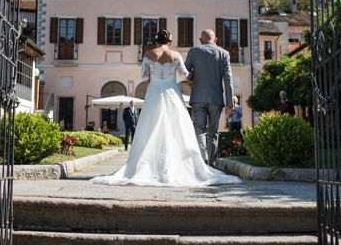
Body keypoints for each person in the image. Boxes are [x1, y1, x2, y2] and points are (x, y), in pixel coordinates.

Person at [90, 30, 240, 187]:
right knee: (180, 128)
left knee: (152, 127)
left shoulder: (148, 54)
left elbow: (144, 75)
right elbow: (185, 74)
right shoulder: (176, 55)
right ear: (169, 41)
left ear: (156, 41)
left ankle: (153, 164)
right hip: (174, 92)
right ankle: (204, 163)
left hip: (155, 92)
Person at [184, 29, 234, 166]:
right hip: (216, 99)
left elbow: (185, 73)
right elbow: (228, 79)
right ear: (215, 39)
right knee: (213, 133)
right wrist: (230, 103)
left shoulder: (194, 51)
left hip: (198, 98)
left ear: (201, 40)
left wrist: (194, 76)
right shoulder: (224, 54)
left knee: (199, 130)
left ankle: (202, 162)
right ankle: (211, 164)